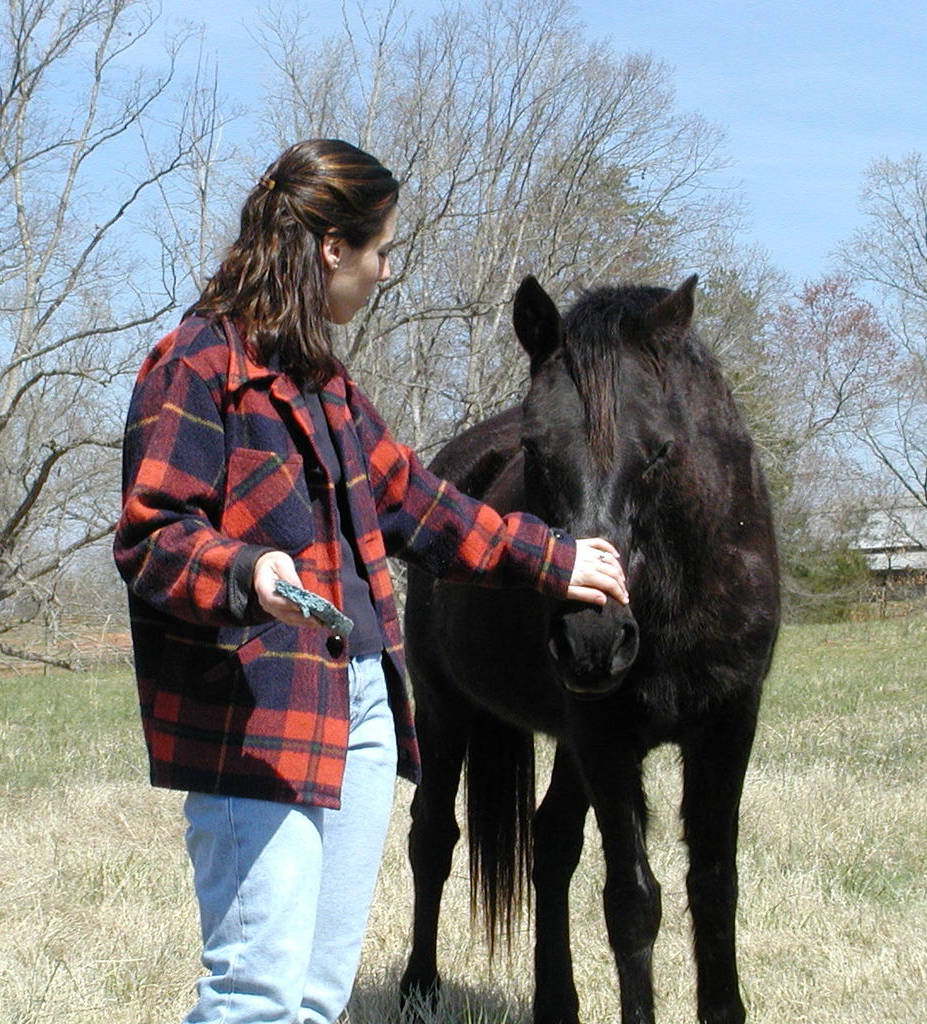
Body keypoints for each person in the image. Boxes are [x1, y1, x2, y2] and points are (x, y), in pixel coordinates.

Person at [113, 138, 629, 1024]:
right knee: (254, 994)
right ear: (330, 249)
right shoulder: (194, 367)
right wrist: (245, 570)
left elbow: (422, 509)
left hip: (360, 705)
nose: (386, 271)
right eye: (380, 250)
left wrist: (557, 560)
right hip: (255, 711)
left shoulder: (325, 384)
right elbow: (151, 537)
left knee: (318, 998)